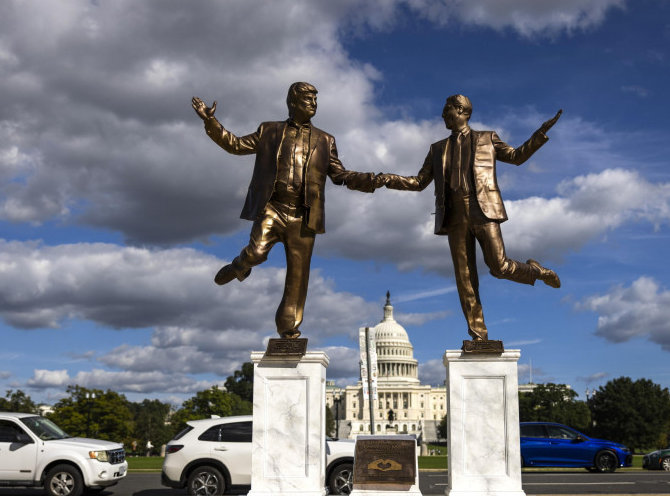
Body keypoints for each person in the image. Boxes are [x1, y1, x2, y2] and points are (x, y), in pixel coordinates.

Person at [192, 82, 381, 338]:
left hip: (304, 216)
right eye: (308, 98)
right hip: (273, 207)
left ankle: (288, 329)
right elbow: (235, 145)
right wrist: (211, 121)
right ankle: (241, 265)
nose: (313, 103)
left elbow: (340, 175)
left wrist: (371, 180)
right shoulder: (269, 130)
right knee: (256, 252)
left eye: (315, 99)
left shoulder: (325, 140)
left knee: (298, 276)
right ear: (293, 101)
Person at [379, 94, 561, 341]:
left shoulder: (487, 138)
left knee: (499, 267)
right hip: (454, 215)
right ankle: (479, 336)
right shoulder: (437, 149)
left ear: (462, 111)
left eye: (447, 110)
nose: (443, 115)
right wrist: (385, 179)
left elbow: (517, 157)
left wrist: (540, 134)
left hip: (483, 209)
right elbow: (419, 182)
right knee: (465, 278)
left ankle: (537, 272)